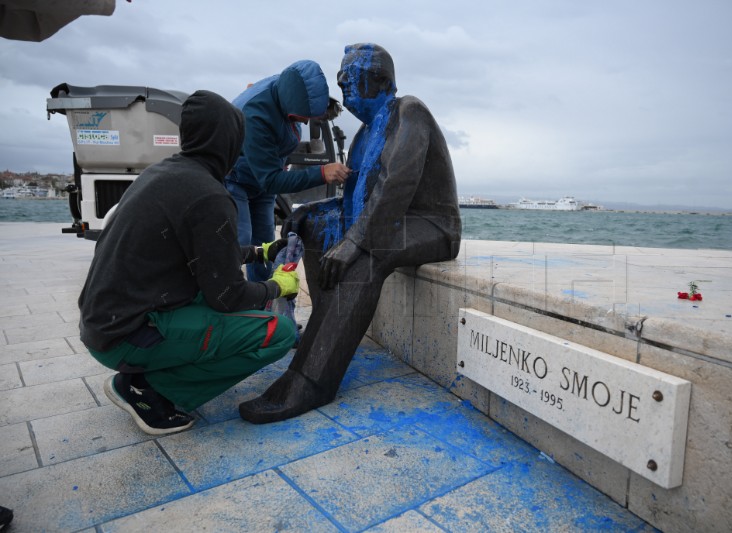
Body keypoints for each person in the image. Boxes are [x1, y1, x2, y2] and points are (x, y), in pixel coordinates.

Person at [239, 43, 462, 424]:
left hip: (431, 224)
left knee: (368, 252)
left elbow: (397, 185)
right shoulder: (363, 133)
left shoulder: (410, 112)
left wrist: (355, 240)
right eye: (341, 82)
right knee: (310, 224)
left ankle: (311, 381)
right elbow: (352, 199)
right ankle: (322, 339)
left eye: (349, 81)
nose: (343, 91)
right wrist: (309, 213)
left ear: (379, 80)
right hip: (390, 220)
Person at [78, 90, 300, 436]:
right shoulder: (209, 195)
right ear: (229, 142)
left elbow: (202, 252)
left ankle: (139, 378)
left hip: (105, 324)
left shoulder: (164, 174)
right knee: (278, 333)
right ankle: (149, 392)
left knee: (211, 298)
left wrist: (261, 252)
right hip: (128, 336)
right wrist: (276, 287)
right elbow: (227, 296)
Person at [225, 60, 350, 284]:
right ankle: (226, 301)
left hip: (261, 182)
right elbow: (271, 180)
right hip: (235, 179)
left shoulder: (288, 89)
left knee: (266, 247)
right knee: (240, 241)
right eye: (304, 118)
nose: (306, 121)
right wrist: (321, 173)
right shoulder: (256, 116)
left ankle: (261, 303)